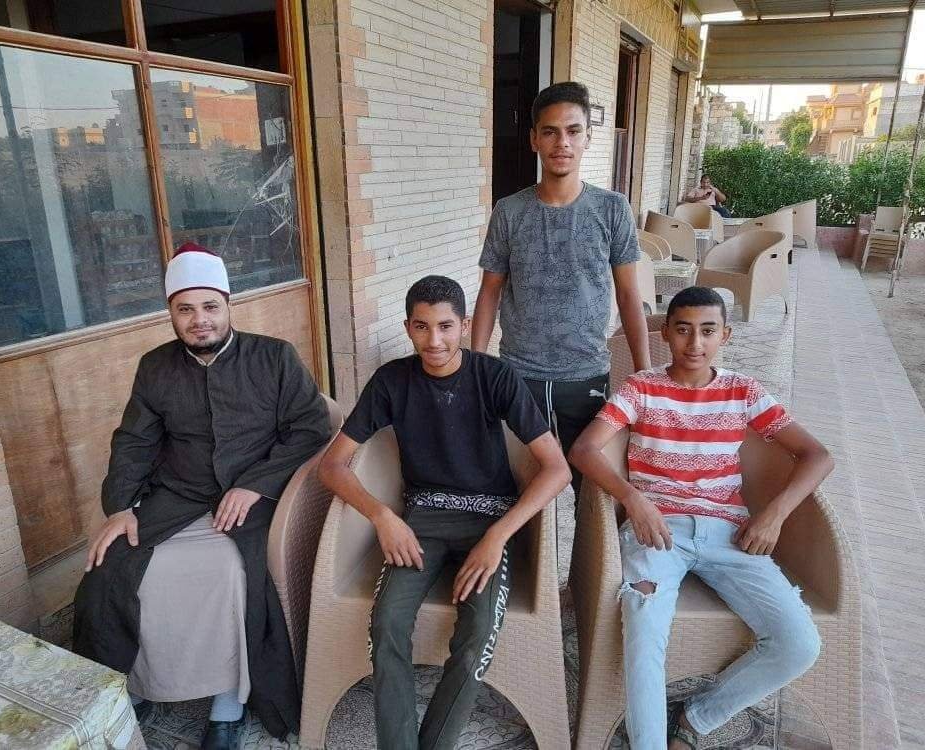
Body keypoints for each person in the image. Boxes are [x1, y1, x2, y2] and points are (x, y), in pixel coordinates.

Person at [73, 243, 332, 750]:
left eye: (210, 306)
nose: (200, 320)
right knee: (109, 565)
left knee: (231, 573)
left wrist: (254, 484)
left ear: (229, 305)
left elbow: (310, 429)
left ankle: (227, 705)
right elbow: (134, 441)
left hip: (255, 499)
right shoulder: (155, 367)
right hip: (178, 494)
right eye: (185, 309)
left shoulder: (274, 357)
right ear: (170, 313)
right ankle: (130, 684)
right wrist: (121, 507)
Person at [568, 286, 832, 750]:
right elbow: (585, 449)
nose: (695, 343)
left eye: (708, 331)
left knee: (799, 644)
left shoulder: (743, 391)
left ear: (725, 335)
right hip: (657, 532)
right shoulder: (641, 388)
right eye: (684, 330)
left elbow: (817, 455)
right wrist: (634, 499)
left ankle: (698, 717)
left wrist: (774, 514)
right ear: (666, 334)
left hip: (730, 534)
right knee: (644, 626)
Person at [319, 275, 571, 750]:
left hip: (489, 522)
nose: (434, 340)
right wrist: (382, 516)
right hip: (420, 524)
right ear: (408, 328)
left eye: (445, 326)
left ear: (465, 326)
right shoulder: (392, 380)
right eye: (421, 326)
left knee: (476, 634)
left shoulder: (494, 376)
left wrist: (498, 536)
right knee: (387, 624)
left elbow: (557, 470)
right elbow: (331, 466)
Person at [472, 81, 650, 498]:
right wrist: (477, 366)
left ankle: (588, 546)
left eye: (573, 131)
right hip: (519, 375)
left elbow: (628, 295)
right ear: (534, 139)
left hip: (585, 374)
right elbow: (489, 291)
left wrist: (644, 377)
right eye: (550, 131)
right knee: (517, 485)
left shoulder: (612, 209)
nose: (562, 142)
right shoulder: (509, 211)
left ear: (588, 137)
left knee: (592, 493)